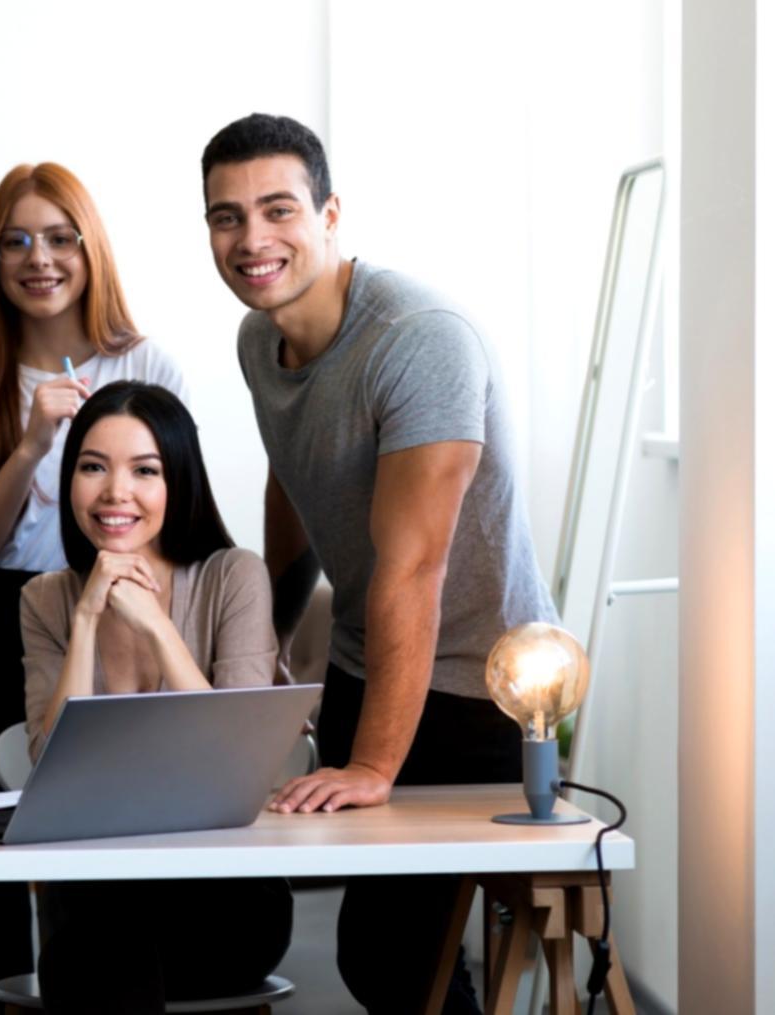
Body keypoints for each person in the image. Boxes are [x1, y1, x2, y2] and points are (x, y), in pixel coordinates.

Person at [200, 112, 558, 1013]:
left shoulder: (418, 340)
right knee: (390, 959)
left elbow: (415, 566)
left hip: (479, 684)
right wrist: (270, 642)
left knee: (395, 956)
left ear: (330, 215)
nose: (252, 239)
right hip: (369, 661)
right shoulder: (258, 340)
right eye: (227, 216)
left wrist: (372, 768)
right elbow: (292, 482)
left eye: (278, 209)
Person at [0, 162, 187, 1012]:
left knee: (90, 915)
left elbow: (178, 523)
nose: (40, 258)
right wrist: (28, 447)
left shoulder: (147, 365)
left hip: (94, 625)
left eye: (61, 238)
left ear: (92, 250)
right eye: (16, 240)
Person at [18, 381, 293, 1015]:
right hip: (94, 897)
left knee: (98, 954)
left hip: (220, 894)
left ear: (179, 482)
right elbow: (48, 768)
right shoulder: (45, 600)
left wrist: (156, 626)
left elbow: (237, 763)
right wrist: (88, 618)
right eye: (93, 467)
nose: (115, 492)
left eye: (145, 471)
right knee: (94, 941)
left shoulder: (233, 576)